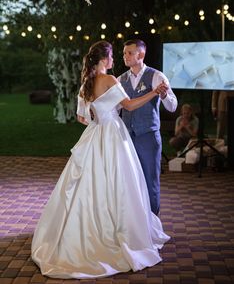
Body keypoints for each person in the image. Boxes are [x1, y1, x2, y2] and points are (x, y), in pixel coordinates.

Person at [31, 41, 170, 279]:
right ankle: (117, 233)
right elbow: (130, 106)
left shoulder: (86, 83)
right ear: (104, 59)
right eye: (112, 56)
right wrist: (153, 93)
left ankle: (78, 233)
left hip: (95, 134)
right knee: (120, 182)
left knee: (88, 183)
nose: (115, 60)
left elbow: (81, 118)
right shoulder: (111, 80)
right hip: (113, 135)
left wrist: (101, 116)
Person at [118, 39, 177, 216]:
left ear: (141, 54)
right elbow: (116, 108)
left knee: (150, 180)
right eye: (124, 53)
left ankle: (153, 223)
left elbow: (173, 106)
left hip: (148, 137)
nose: (125, 56)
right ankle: (134, 223)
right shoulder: (121, 79)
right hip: (126, 137)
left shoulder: (156, 76)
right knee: (129, 181)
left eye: (129, 53)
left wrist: (165, 95)